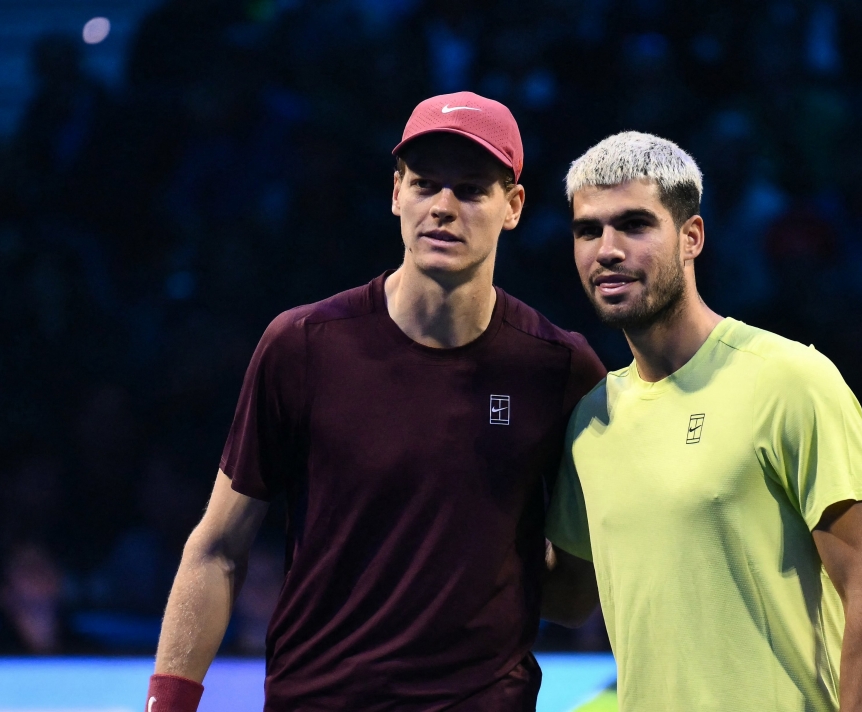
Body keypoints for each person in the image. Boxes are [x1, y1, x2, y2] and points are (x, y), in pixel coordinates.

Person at [146, 91, 607, 712]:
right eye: (424, 184)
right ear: (396, 194)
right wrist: (167, 704)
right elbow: (218, 547)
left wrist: (494, 559)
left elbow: (574, 595)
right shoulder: (303, 346)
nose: (443, 207)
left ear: (513, 206)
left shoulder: (561, 369)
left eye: (471, 189)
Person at [543, 131, 862, 711]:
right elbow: (568, 598)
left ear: (692, 237)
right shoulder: (592, 418)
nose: (607, 249)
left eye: (635, 225)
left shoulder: (789, 380)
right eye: (589, 230)